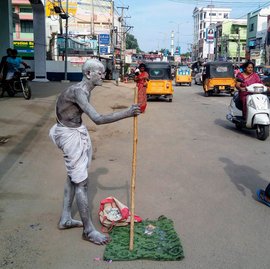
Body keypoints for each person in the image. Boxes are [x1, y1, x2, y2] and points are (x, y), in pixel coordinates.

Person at [49, 59, 141, 245]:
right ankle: (88, 231)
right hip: (68, 134)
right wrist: (127, 112)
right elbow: (97, 119)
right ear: (88, 74)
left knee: (74, 176)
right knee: (81, 183)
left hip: (75, 130)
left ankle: (66, 218)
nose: (103, 75)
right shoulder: (79, 91)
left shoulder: (84, 90)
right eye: (99, 72)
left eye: (103, 72)